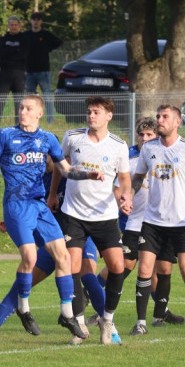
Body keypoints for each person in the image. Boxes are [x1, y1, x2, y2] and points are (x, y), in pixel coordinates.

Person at [0, 95, 98, 346]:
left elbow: (66, 170)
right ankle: (23, 308)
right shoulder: (5, 135)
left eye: (28, 108)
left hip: (39, 206)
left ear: (39, 113)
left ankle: (67, 315)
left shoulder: (47, 139)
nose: (23, 112)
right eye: (21, 108)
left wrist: (88, 174)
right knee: (29, 257)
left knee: (64, 257)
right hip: (17, 206)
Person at [47, 96, 131, 345]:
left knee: (118, 266)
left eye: (97, 112)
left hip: (104, 217)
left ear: (108, 116)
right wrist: (52, 194)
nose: (91, 116)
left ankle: (107, 319)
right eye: (89, 112)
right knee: (72, 267)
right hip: (73, 214)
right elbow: (61, 169)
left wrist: (126, 195)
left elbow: (124, 178)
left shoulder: (118, 145)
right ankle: (80, 325)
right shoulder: (73, 137)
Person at [130, 104, 185, 335]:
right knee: (145, 270)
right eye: (158, 116)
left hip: (182, 224)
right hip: (153, 223)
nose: (160, 120)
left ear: (177, 122)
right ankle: (141, 323)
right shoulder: (148, 148)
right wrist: (128, 196)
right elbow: (138, 177)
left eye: (165, 116)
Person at [97, 117, 182, 334]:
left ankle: (161, 311)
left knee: (158, 268)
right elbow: (118, 186)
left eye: (149, 135)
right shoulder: (132, 158)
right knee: (127, 264)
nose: (144, 139)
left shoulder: (169, 155)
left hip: (161, 223)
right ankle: (94, 294)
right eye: (141, 135)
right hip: (135, 222)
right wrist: (123, 203)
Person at [22, 12, 62, 124]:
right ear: (31, 21)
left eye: (38, 19)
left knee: (47, 96)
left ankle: (50, 120)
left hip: (43, 71)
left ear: (41, 21)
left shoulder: (46, 35)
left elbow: (58, 42)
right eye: (34, 19)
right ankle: (28, 119)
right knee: (29, 98)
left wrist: (47, 48)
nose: (36, 21)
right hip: (29, 71)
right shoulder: (26, 35)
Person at [0, 16, 31, 128]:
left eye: (15, 25)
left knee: (19, 101)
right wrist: (15, 52)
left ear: (19, 26)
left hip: (19, 73)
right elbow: (0, 53)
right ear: (8, 26)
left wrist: (9, 52)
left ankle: (19, 123)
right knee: (0, 99)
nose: (13, 27)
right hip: (4, 73)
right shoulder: (2, 39)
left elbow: (24, 54)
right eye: (11, 25)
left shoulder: (24, 39)